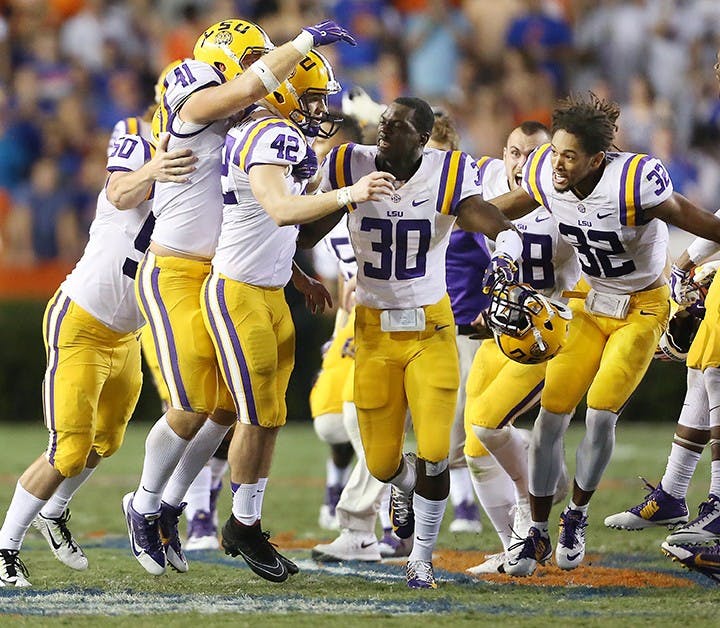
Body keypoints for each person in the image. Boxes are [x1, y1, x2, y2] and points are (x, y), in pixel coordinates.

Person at [122, 18, 358, 577]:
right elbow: (253, 87)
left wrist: (294, 271)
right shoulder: (193, 86)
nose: (263, 63)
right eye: (256, 55)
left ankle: (172, 507)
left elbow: (251, 217)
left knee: (227, 408)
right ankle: (145, 504)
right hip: (176, 270)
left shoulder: (252, 121)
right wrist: (303, 42)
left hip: (223, 269)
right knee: (191, 405)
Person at [487, 91, 720, 577]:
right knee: (550, 418)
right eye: (555, 151)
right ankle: (536, 529)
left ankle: (576, 516)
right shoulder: (545, 172)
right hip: (587, 301)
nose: (557, 163)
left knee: (599, 415)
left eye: (570, 156)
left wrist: (698, 260)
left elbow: (694, 218)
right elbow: (498, 210)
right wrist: (442, 220)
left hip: (641, 305)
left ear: (596, 158)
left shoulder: (633, 180)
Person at [309, 96, 523, 589]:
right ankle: (404, 487)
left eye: (400, 126)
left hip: (430, 327)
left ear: (423, 139)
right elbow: (305, 234)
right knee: (384, 462)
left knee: (433, 449)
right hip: (372, 329)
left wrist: (507, 248)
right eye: (384, 122)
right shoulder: (348, 162)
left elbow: (482, 217)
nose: (385, 131)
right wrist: (349, 195)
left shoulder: (447, 172)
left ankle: (421, 557)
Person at [202, 49, 393, 583]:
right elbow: (281, 210)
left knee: (270, 415)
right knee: (251, 414)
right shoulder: (270, 135)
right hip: (238, 292)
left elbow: (269, 231)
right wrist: (349, 193)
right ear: (284, 93)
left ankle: (242, 522)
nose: (318, 108)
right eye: (310, 97)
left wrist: (298, 274)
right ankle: (199, 513)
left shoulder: (274, 135)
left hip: (267, 288)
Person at [0, 126, 197, 587]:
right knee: (67, 449)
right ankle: (5, 544)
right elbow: (120, 191)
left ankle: (54, 511)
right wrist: (154, 166)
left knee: (104, 441)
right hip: (82, 322)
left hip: (128, 336)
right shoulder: (138, 166)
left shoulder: (193, 191)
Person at [462, 121, 580, 575]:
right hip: (500, 330)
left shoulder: (565, 202)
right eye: (513, 151)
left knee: (490, 426)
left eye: (532, 153)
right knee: (475, 449)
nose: (520, 162)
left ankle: (534, 514)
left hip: (548, 335)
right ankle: (511, 547)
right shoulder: (488, 179)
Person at [309, 116, 365, 531]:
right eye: (322, 154)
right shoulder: (322, 209)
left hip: (393, 313)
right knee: (330, 419)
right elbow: (340, 283)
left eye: (335, 156)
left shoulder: (379, 197)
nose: (325, 163)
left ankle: (378, 508)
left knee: (363, 415)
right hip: (350, 320)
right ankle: (338, 482)